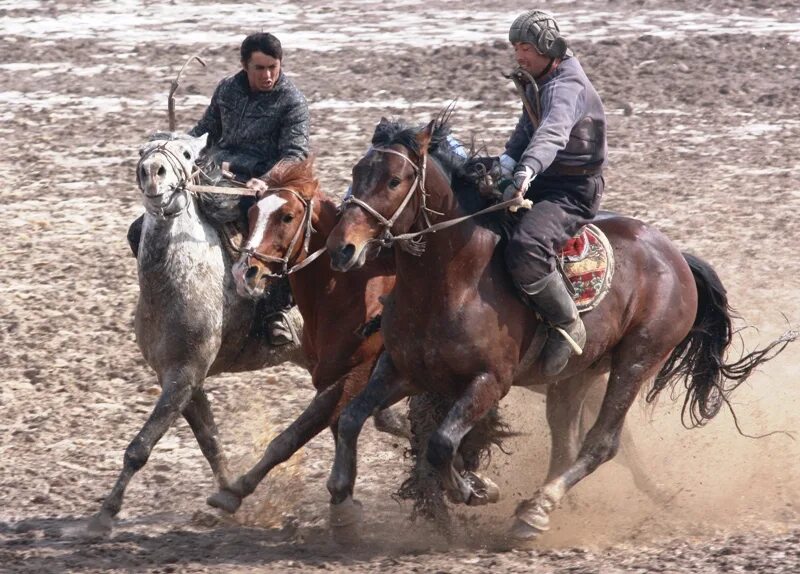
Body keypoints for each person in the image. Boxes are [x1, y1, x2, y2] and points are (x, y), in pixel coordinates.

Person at [128, 32, 310, 346]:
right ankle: (162, 298)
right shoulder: (228, 89)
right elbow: (205, 132)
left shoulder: (291, 101)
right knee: (140, 229)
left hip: (258, 185)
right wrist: (177, 147)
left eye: (273, 67)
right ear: (245, 66)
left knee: (269, 239)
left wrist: (266, 179)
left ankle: (273, 313)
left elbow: (295, 153)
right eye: (259, 68)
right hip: (214, 172)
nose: (267, 75)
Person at [499, 10, 607, 376]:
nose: (519, 55)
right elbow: (526, 130)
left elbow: (552, 133)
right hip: (543, 177)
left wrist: (525, 170)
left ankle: (566, 321)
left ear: (546, 46)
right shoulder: (538, 79)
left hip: (572, 190)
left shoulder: (566, 86)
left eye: (525, 47)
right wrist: (504, 163)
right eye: (515, 47)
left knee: (526, 245)